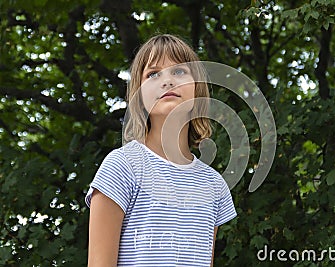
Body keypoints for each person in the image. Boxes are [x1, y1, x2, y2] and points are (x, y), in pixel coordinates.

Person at [85, 34, 237, 267]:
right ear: (139, 96)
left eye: (178, 72)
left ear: (197, 89)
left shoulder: (213, 184)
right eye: (153, 74)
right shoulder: (122, 166)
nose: (167, 80)